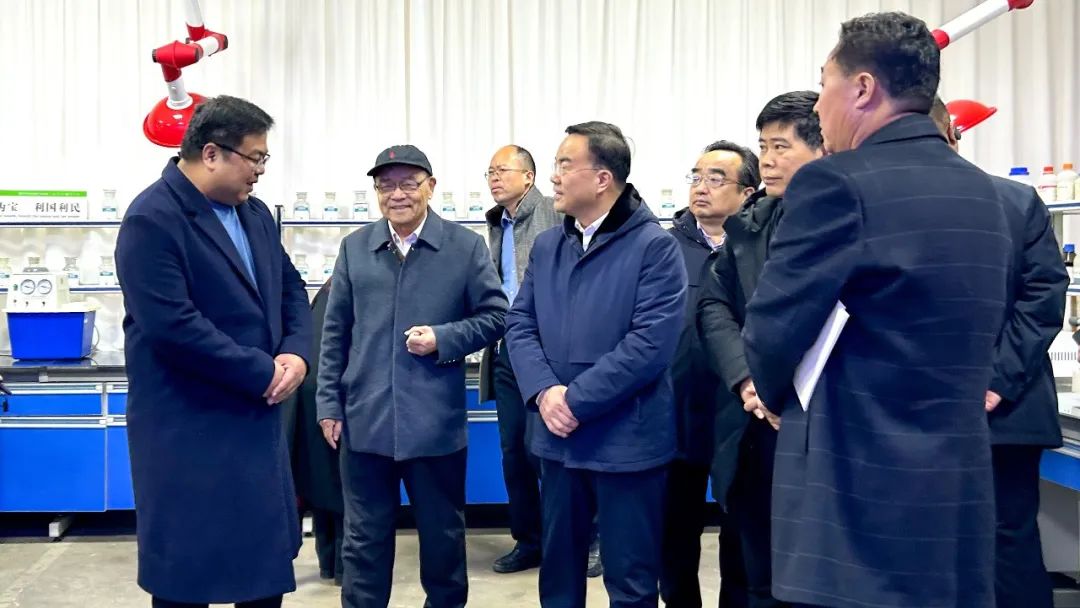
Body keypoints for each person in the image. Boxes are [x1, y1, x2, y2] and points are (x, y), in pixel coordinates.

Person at [741, 12, 1014, 607]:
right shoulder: (983, 192)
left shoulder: (835, 184)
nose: (819, 105)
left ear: (862, 88)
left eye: (825, 84)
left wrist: (771, 392)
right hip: (954, 488)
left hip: (854, 485)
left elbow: (772, 327)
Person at [115, 95, 312, 608]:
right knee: (187, 577)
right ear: (211, 153)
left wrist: (296, 353)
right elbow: (172, 326)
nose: (261, 171)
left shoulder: (255, 215)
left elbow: (290, 288)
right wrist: (262, 372)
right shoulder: (152, 218)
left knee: (262, 575)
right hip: (189, 434)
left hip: (256, 425)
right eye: (255, 158)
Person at [316, 144, 507, 608]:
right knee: (363, 543)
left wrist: (444, 337)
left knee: (443, 540)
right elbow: (334, 332)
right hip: (365, 422)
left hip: (434, 425)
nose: (396, 194)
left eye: (407, 183)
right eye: (385, 185)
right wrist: (328, 404)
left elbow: (496, 315)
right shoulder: (356, 247)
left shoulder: (463, 247)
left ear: (430, 187)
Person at [505, 121, 687, 608]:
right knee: (558, 579)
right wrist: (545, 392)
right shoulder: (549, 246)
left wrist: (575, 401)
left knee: (630, 581)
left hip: (626, 442)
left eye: (565, 165)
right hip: (558, 442)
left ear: (603, 178)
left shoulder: (655, 247)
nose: (554, 176)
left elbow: (649, 345)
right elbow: (520, 323)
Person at [931, 96, 1068, 608]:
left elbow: (1043, 296)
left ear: (952, 136)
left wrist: (995, 381)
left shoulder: (1014, 201)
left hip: (1002, 414)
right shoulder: (881, 207)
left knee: (1005, 541)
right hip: (945, 411)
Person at [696, 91, 823, 608]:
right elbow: (713, 304)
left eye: (780, 146)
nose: (767, 160)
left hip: (813, 421)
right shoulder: (750, 224)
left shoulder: (846, 220)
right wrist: (747, 380)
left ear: (822, 148)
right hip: (749, 420)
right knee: (752, 566)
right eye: (763, 146)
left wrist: (777, 387)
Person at [663, 140, 759, 608]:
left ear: (747, 192)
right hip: (677, 413)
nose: (701, 187)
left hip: (740, 415)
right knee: (674, 537)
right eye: (697, 177)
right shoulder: (664, 248)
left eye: (716, 179)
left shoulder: (761, 247)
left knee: (741, 537)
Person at [480, 144, 561, 574]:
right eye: (490, 172)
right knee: (513, 452)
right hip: (506, 349)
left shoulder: (553, 212)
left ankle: (584, 538)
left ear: (529, 176)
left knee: (549, 451)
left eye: (502, 170)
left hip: (548, 351)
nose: (494, 178)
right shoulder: (498, 223)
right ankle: (529, 540)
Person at [282, 278, 344, 585]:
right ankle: (344, 569)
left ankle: (328, 564)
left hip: (303, 403)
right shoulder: (345, 295)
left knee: (318, 487)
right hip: (332, 403)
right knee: (342, 492)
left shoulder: (322, 297)